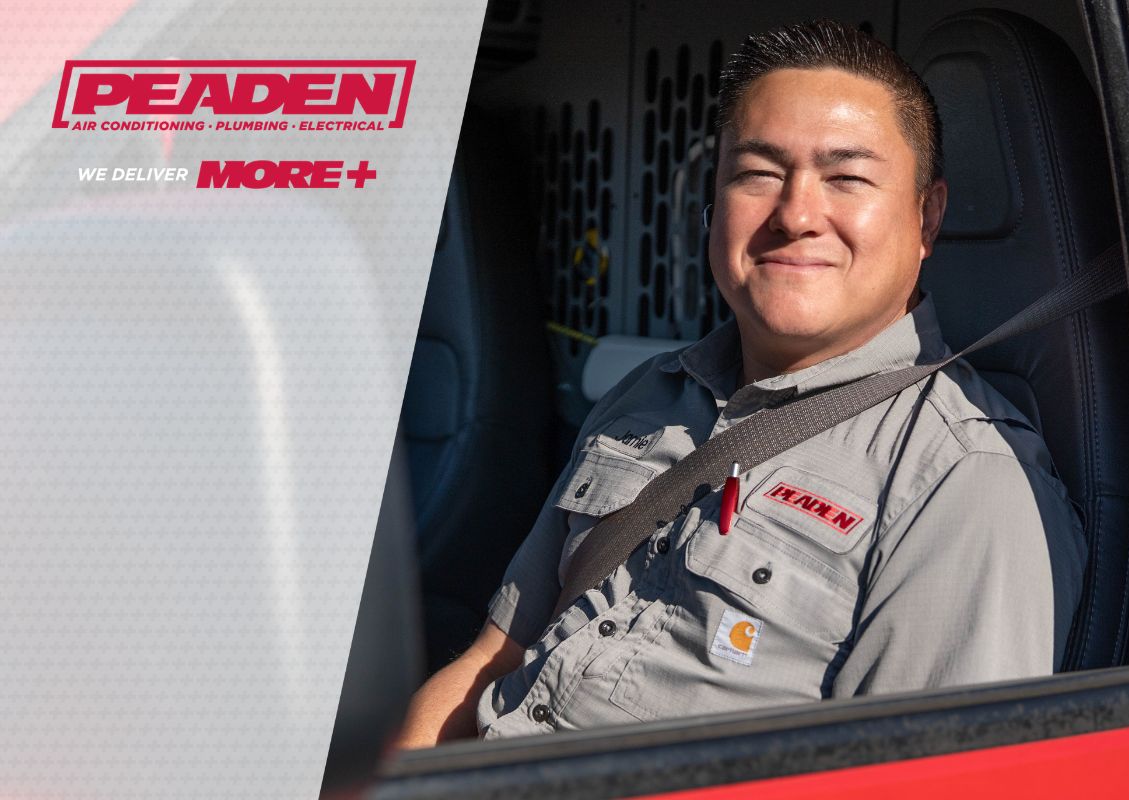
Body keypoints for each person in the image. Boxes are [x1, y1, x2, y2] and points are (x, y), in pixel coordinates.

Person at [395, 18, 1085, 747]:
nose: (795, 215)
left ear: (927, 218)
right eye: (758, 174)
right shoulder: (650, 394)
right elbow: (493, 660)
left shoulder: (963, 481)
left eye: (847, 178)